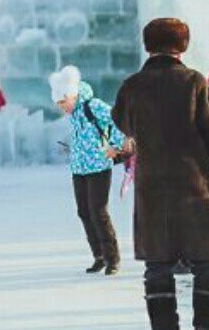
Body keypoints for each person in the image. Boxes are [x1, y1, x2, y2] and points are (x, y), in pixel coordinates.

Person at [112, 18, 209, 330]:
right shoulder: (194, 82)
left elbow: (121, 122)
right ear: (183, 46)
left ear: (147, 46)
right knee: (207, 266)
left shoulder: (132, 87)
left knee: (157, 268)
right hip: (195, 188)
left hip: (152, 191)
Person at [51, 65, 127, 275]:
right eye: (58, 103)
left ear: (72, 96)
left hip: (99, 165)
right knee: (84, 212)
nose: (61, 107)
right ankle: (99, 255)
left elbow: (117, 122)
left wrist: (116, 146)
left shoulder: (92, 106)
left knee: (98, 211)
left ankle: (113, 259)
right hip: (79, 168)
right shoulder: (74, 113)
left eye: (62, 102)